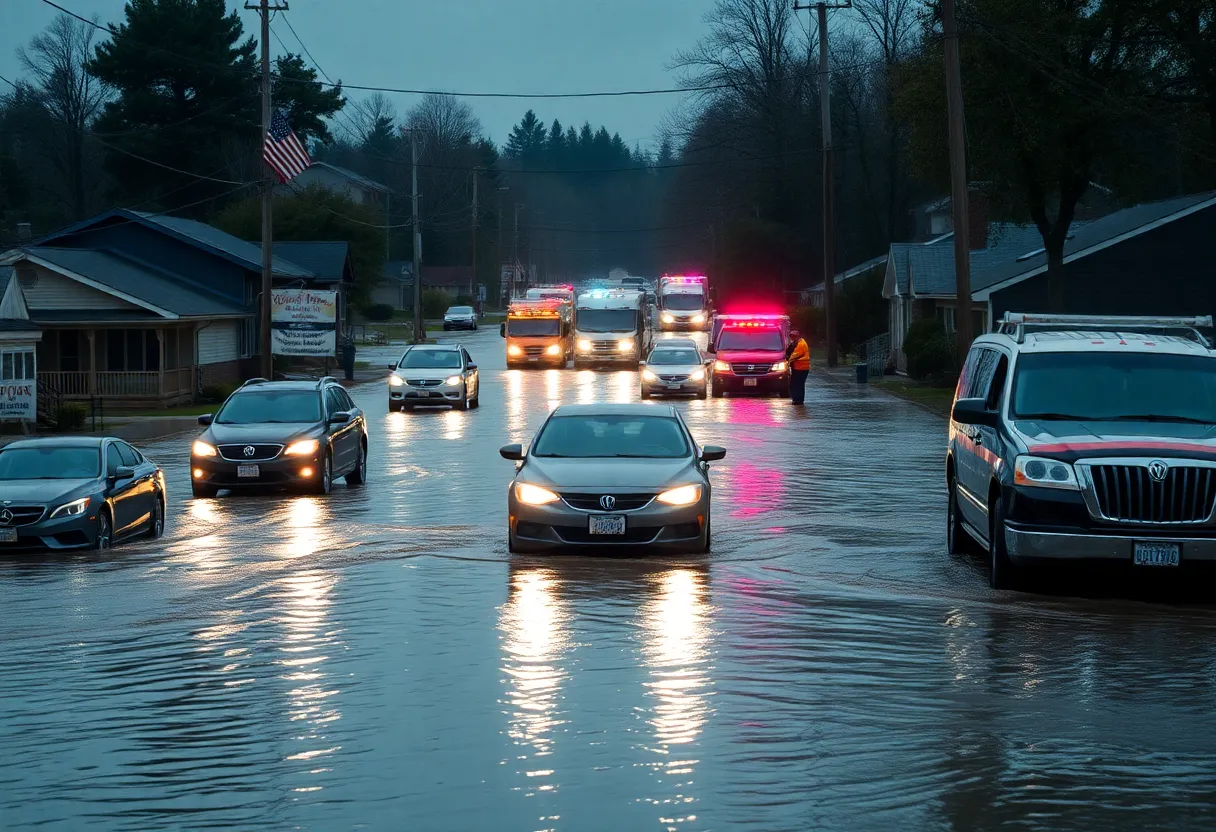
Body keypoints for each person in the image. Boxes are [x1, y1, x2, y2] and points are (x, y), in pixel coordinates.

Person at [787, 329, 811, 405]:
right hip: (798, 367)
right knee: (797, 384)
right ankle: (798, 399)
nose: (792, 338)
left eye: (794, 336)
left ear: (798, 336)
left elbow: (796, 355)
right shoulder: (795, 343)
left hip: (801, 368)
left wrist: (788, 361)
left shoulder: (801, 344)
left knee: (797, 384)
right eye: (791, 336)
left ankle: (798, 400)